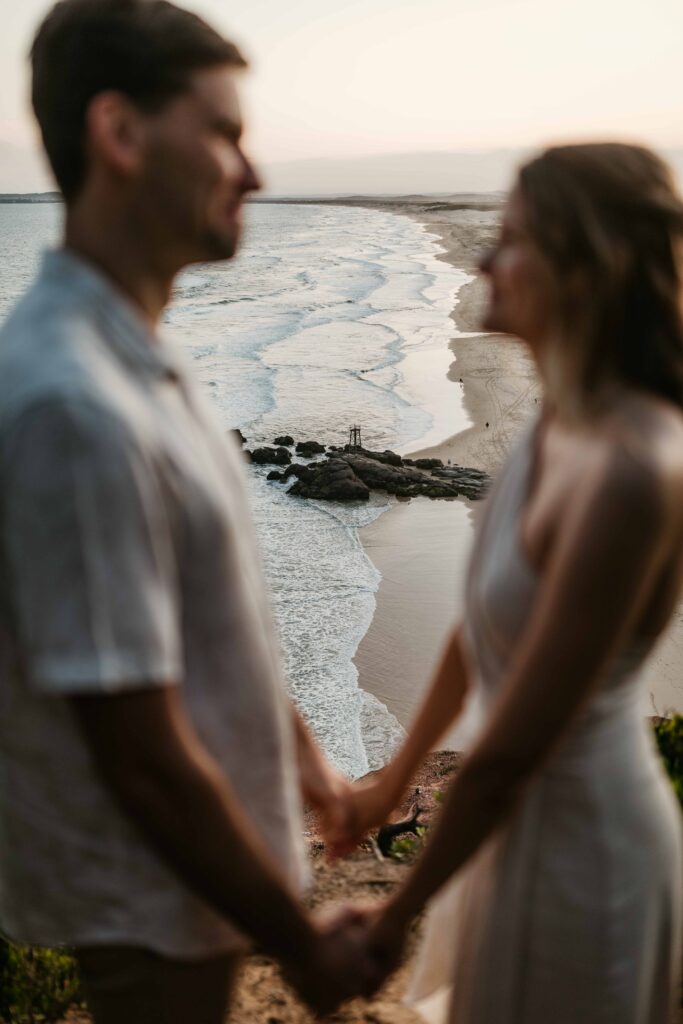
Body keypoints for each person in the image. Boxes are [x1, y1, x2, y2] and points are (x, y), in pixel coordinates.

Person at [0, 1, 367, 1020]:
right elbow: (144, 758)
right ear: (118, 134)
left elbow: (207, 611)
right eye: (222, 133)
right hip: (155, 914)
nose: (251, 174)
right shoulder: (72, 405)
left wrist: (303, 760)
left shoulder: (143, 356)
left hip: (196, 900)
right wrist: (299, 946)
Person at [328, 143, 683, 1023]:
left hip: (586, 853)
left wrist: (393, 919)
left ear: (582, 268)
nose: (484, 256)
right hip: (512, 833)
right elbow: (474, 628)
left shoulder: (634, 468)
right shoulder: (552, 421)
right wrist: (389, 782)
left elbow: (516, 744)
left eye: (512, 238)